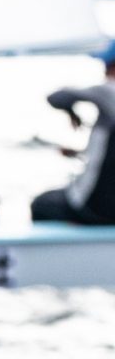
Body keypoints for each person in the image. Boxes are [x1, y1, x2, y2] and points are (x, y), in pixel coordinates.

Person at [30, 39, 115, 225]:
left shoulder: (108, 92)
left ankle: (56, 253)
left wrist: (71, 111)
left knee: (40, 204)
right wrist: (78, 153)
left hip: (98, 207)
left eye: (107, 65)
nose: (104, 70)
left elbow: (57, 97)